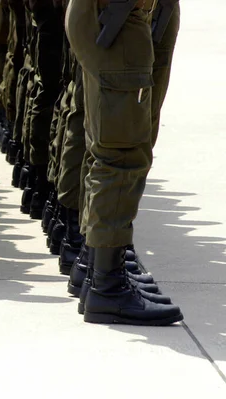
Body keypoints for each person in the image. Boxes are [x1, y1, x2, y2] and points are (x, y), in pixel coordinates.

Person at [65, 0, 183, 325]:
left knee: (108, 146)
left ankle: (95, 267)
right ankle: (108, 286)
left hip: (114, 15)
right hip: (116, 16)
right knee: (122, 154)